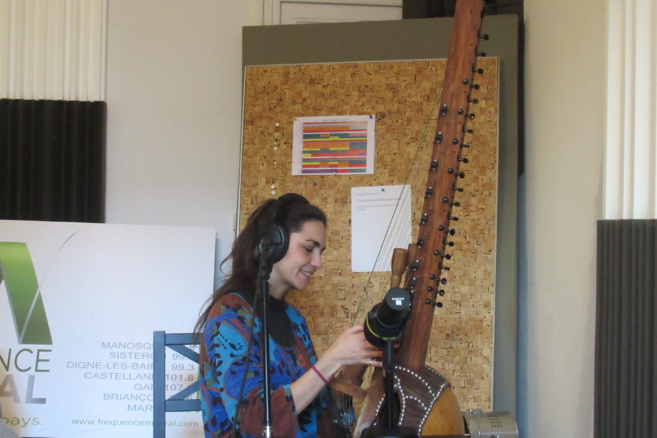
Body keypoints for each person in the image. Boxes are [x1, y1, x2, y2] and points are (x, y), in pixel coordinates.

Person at [197, 193, 381, 438]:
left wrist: (358, 360)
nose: (318, 262)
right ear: (274, 244)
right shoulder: (229, 317)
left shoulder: (294, 318)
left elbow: (317, 407)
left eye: (321, 252)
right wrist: (333, 359)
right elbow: (255, 423)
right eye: (308, 249)